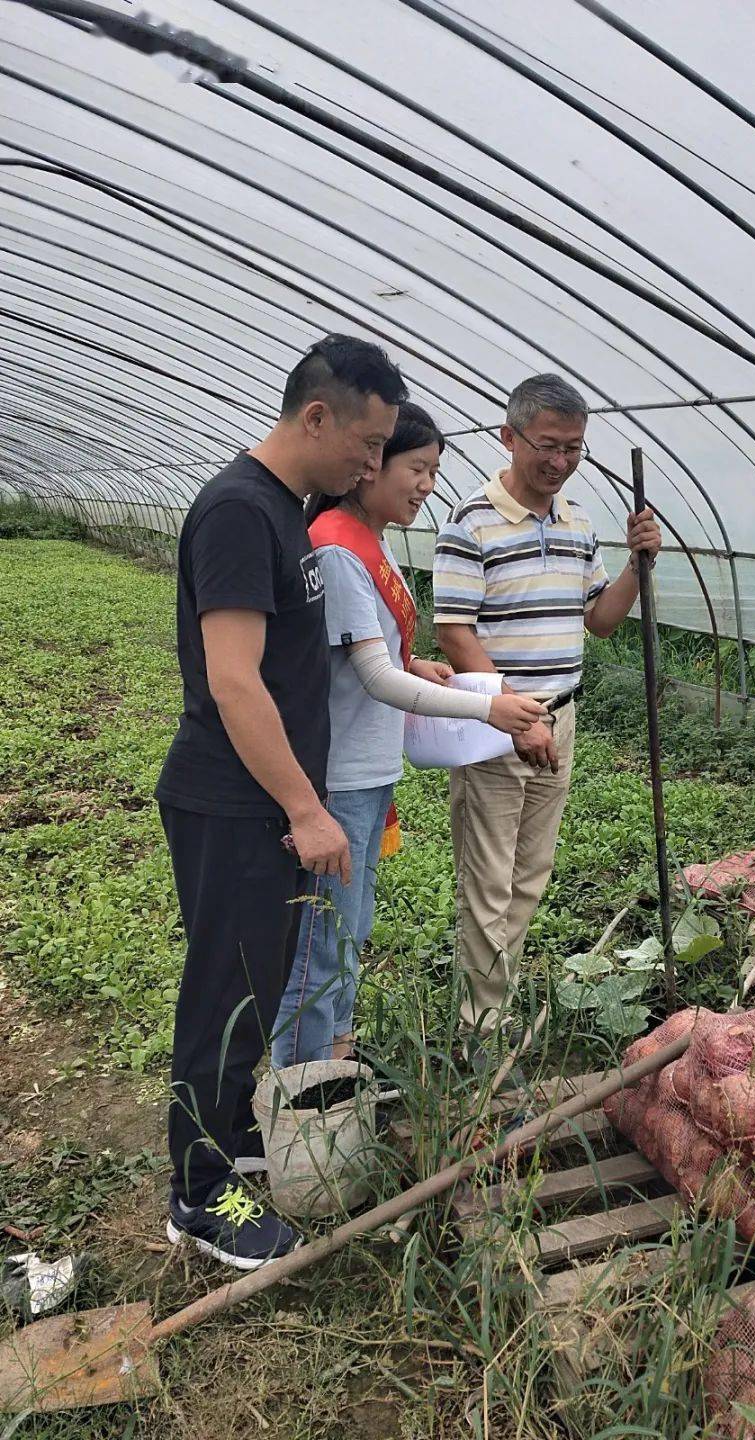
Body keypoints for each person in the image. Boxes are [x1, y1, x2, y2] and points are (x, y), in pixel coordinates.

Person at [155, 334, 408, 1269]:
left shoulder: (282, 510)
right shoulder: (236, 511)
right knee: (225, 991)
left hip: (257, 802)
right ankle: (197, 1192)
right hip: (233, 801)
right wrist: (308, 810)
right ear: (317, 418)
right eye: (369, 443)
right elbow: (235, 683)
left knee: (255, 991)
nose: (374, 464)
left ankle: (221, 1139)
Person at [271, 403, 544, 1069]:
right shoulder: (339, 548)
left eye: (434, 471)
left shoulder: (369, 541)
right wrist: (481, 710)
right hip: (338, 778)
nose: (427, 484)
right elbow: (370, 675)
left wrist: (412, 662)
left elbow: (367, 657)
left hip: (364, 770)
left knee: (348, 929)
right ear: (369, 469)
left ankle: (336, 1058)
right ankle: (304, 1090)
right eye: (417, 468)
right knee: (322, 940)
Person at [433, 373, 662, 1048]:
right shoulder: (469, 522)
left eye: (574, 448)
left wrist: (635, 567)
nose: (560, 461)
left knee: (530, 874)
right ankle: (481, 1029)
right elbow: (453, 629)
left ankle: (489, 1003)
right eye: (548, 445)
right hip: (497, 724)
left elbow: (600, 622)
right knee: (489, 879)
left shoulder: (578, 523)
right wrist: (518, 716)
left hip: (559, 718)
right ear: (510, 437)